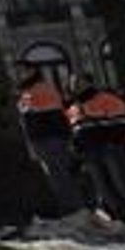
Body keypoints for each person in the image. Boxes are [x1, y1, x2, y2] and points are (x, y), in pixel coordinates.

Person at [67, 77, 125, 222]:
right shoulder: (73, 108)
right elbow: (75, 133)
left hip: (110, 148)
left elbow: (123, 124)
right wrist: (77, 153)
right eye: (73, 84)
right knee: (104, 189)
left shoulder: (108, 99)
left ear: (90, 83)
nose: (76, 86)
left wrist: (107, 140)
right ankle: (123, 218)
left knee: (122, 185)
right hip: (89, 153)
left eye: (80, 83)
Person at [15, 64, 82, 215]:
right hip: (45, 136)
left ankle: (73, 208)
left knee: (59, 174)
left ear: (32, 71)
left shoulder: (38, 89)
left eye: (22, 71)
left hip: (49, 137)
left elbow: (31, 110)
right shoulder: (30, 89)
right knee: (57, 174)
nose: (19, 74)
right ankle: (71, 207)